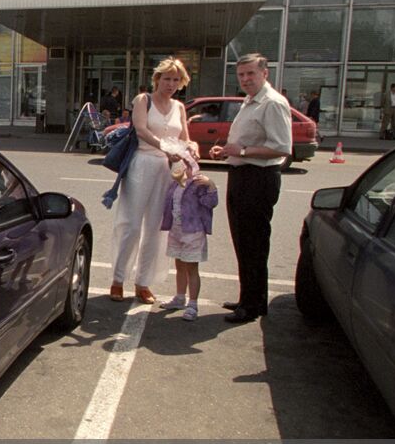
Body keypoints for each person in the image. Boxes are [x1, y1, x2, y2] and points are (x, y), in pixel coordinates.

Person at [210, 54, 292, 324]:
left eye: (251, 74)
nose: (245, 79)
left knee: (254, 243)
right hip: (241, 174)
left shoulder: (273, 103)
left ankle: (253, 304)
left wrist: (242, 151)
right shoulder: (250, 101)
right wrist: (228, 151)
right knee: (243, 242)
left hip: (258, 178)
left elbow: (281, 147)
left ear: (264, 74)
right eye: (241, 75)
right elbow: (245, 143)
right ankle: (248, 297)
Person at [106, 58, 191, 305]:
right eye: (167, 79)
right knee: (130, 224)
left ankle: (143, 282)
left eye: (176, 80)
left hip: (167, 170)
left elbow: (185, 137)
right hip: (142, 164)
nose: (171, 84)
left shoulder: (180, 107)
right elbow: (141, 130)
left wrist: (191, 149)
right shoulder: (143, 100)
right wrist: (166, 147)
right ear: (157, 79)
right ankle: (117, 279)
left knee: (155, 228)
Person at [159, 144, 219, 321]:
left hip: (193, 231)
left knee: (192, 267)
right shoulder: (177, 181)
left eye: (188, 160)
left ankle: (193, 304)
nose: (184, 164)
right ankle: (179, 297)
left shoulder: (199, 182)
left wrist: (211, 185)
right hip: (177, 230)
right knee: (179, 265)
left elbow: (211, 202)